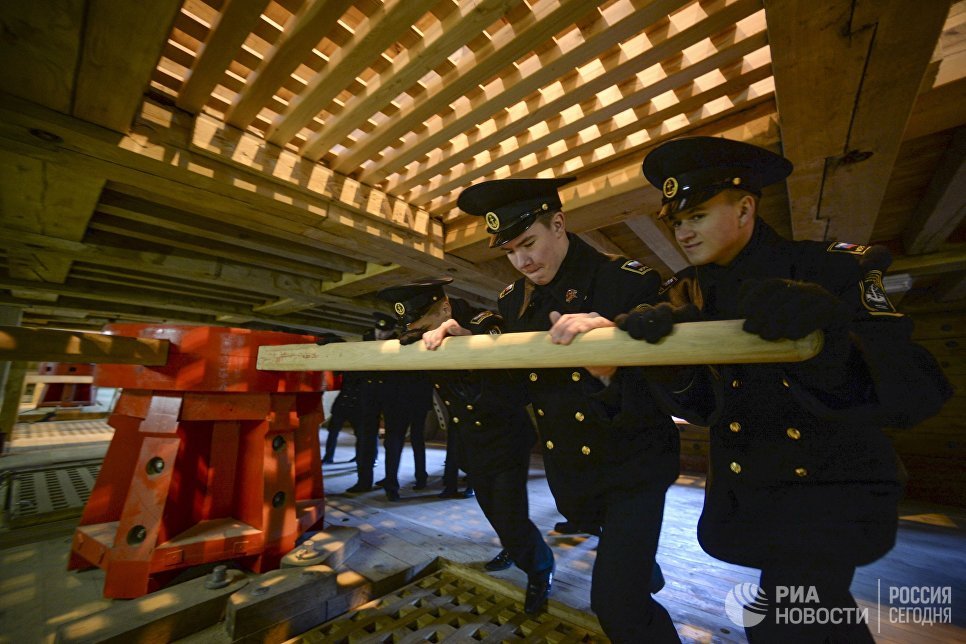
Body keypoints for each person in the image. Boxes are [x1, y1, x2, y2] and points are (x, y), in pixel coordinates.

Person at [624, 136, 952, 643]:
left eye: (698, 215)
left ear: (746, 206)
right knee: (817, 620)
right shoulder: (685, 293)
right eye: (677, 221)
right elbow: (710, 409)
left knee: (784, 624)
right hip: (754, 492)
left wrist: (830, 341)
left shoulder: (832, 269)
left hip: (829, 493)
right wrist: (667, 367)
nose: (683, 232)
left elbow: (918, 391)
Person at [458, 178, 681, 641]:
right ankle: (641, 569)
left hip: (632, 466)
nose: (523, 262)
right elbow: (515, 391)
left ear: (558, 224)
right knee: (629, 573)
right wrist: (470, 355)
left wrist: (610, 362)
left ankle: (637, 578)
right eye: (511, 252)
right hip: (574, 474)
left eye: (529, 243)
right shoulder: (513, 300)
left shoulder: (624, 280)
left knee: (617, 606)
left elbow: (668, 390)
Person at [377, 277, 555, 613]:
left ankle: (540, 568)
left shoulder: (483, 323)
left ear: (445, 307)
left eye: (426, 324)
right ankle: (515, 546)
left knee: (511, 517)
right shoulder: (419, 332)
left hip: (505, 439)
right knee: (495, 513)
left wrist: (467, 344)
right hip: (470, 441)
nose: (422, 333)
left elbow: (504, 356)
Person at [345, 313, 397, 496]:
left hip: (389, 394)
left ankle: (391, 483)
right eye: (379, 330)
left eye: (385, 331)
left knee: (392, 441)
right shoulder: (367, 337)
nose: (381, 335)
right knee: (365, 438)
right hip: (368, 395)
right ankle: (363, 481)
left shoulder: (397, 341)